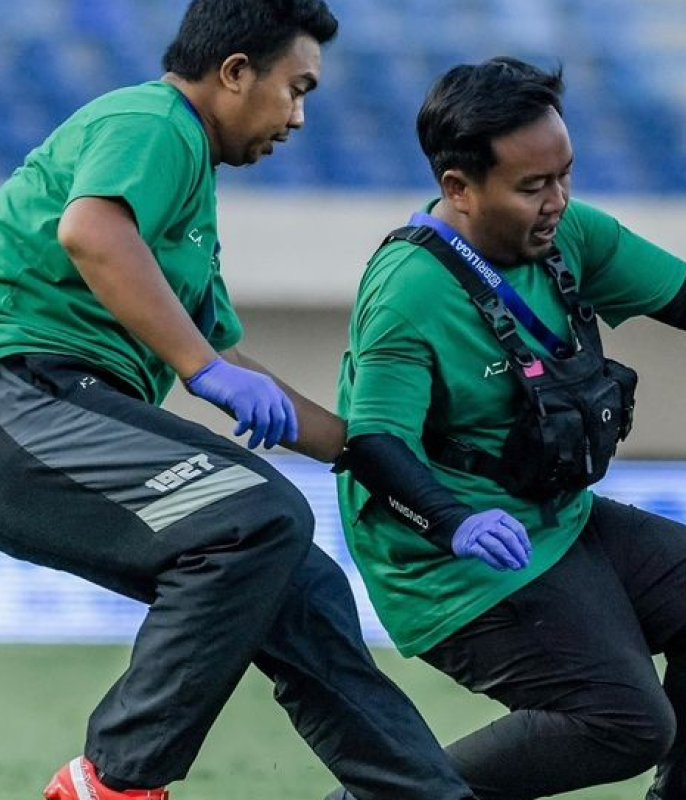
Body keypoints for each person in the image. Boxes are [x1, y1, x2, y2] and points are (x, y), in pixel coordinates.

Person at [333, 56, 686, 800]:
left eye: (565, 176)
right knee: (625, 721)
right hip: (445, 555)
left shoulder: (569, 235)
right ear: (457, 188)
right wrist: (454, 523)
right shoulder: (410, 293)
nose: (558, 201)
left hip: (553, 518)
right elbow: (373, 445)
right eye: (534, 187)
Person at [0, 3, 474, 799]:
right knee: (258, 520)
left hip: (63, 403)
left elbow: (225, 356)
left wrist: (386, 458)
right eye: (296, 89)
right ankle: (113, 782)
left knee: (304, 584)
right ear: (234, 72)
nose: (297, 117)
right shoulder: (154, 120)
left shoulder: (190, 201)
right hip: (22, 394)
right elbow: (92, 231)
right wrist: (198, 369)